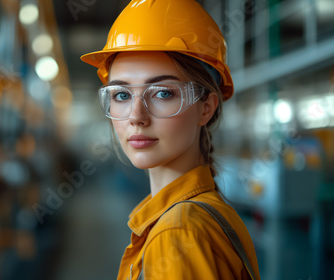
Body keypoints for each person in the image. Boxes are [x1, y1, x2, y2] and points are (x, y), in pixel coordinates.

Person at [81, 0, 260, 279]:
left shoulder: (178, 233)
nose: (136, 117)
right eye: (122, 95)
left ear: (206, 107)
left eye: (163, 93)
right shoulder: (208, 211)